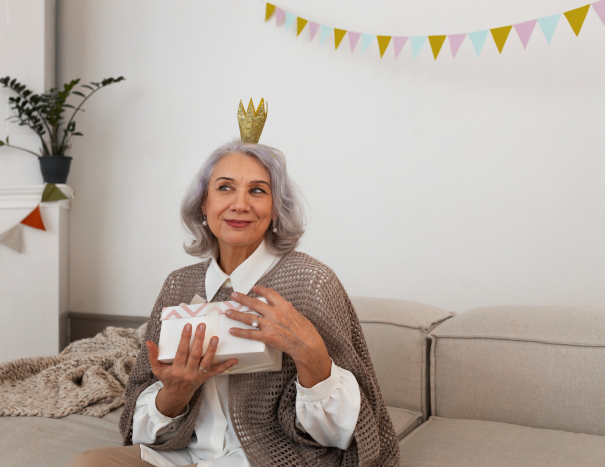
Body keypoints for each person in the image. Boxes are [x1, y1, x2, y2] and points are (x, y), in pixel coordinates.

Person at [66, 101, 399, 467]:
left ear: (275, 209)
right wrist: (175, 393)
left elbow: (343, 435)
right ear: (203, 206)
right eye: (225, 188)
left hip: (272, 460)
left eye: (258, 191)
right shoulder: (179, 285)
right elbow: (141, 428)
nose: (240, 204)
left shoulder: (310, 281)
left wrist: (311, 355)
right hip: (184, 456)